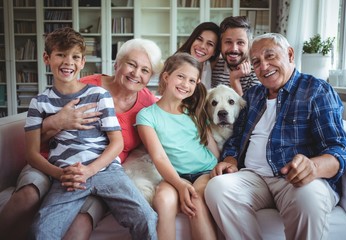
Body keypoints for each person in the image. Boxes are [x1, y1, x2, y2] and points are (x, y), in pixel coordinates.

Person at [0, 36, 163, 239]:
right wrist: (58, 123)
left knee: (140, 217)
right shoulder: (80, 88)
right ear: (117, 64)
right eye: (131, 64)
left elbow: (129, 139)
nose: (136, 74)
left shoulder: (146, 102)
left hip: (104, 169)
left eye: (145, 70)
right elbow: (33, 149)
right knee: (40, 225)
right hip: (62, 166)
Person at [204, 33, 346, 239]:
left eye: (270, 56)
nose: (263, 66)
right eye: (256, 62)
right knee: (217, 188)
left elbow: (338, 149)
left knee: (309, 198)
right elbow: (236, 139)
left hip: (297, 180)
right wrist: (230, 158)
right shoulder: (252, 95)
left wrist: (314, 166)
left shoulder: (316, 90)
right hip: (253, 177)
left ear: (290, 54)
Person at [136, 52, 219, 240]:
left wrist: (220, 166)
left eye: (192, 80)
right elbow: (158, 157)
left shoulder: (194, 112)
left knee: (195, 199)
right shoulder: (147, 116)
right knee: (163, 200)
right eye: (180, 76)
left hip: (204, 171)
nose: (185, 84)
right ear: (166, 77)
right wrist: (180, 184)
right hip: (173, 175)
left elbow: (211, 146)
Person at [211, 15, 259, 95]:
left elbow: (249, 107)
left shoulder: (256, 72)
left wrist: (235, 80)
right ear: (220, 45)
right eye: (228, 42)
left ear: (249, 45)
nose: (234, 49)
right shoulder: (214, 66)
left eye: (240, 42)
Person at [176, 21, 220, 89]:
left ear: (214, 52)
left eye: (210, 44)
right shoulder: (177, 64)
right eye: (199, 39)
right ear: (192, 40)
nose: (202, 46)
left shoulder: (207, 65)